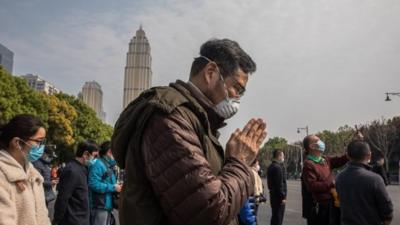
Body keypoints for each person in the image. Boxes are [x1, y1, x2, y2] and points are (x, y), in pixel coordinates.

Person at [112, 38, 267, 225]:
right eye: (236, 88)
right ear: (210, 73)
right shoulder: (170, 118)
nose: (237, 99)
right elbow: (209, 212)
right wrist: (239, 163)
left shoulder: (198, 120)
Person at [0, 114, 51, 225]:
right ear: (17, 143)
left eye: (43, 142)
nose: (42, 147)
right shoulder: (2, 175)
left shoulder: (34, 175)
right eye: (38, 141)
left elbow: (44, 217)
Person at [336, 140, 393, 225]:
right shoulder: (375, 179)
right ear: (369, 155)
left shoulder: (339, 177)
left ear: (347, 155)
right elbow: (387, 208)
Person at [301, 135, 348, 225]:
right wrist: (331, 183)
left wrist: (356, 141)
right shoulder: (309, 164)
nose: (321, 142)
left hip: (332, 203)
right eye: (318, 141)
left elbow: (343, 159)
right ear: (312, 146)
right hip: (321, 208)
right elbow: (312, 186)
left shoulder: (325, 159)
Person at [53, 141, 99, 225]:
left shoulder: (84, 169)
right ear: (85, 154)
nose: (95, 159)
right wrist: (56, 220)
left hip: (82, 219)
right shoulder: (72, 170)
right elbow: (63, 198)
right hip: (72, 220)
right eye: (94, 156)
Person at [89, 141, 122, 225]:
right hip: (100, 206)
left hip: (106, 206)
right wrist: (113, 187)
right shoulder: (98, 164)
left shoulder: (107, 165)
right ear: (109, 151)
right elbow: (93, 183)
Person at [267, 149, 287, 225]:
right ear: (279, 156)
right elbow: (279, 185)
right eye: (283, 156)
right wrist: (283, 197)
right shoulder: (278, 168)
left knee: (275, 217)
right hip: (278, 198)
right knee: (278, 218)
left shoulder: (271, 166)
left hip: (273, 196)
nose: (283, 158)